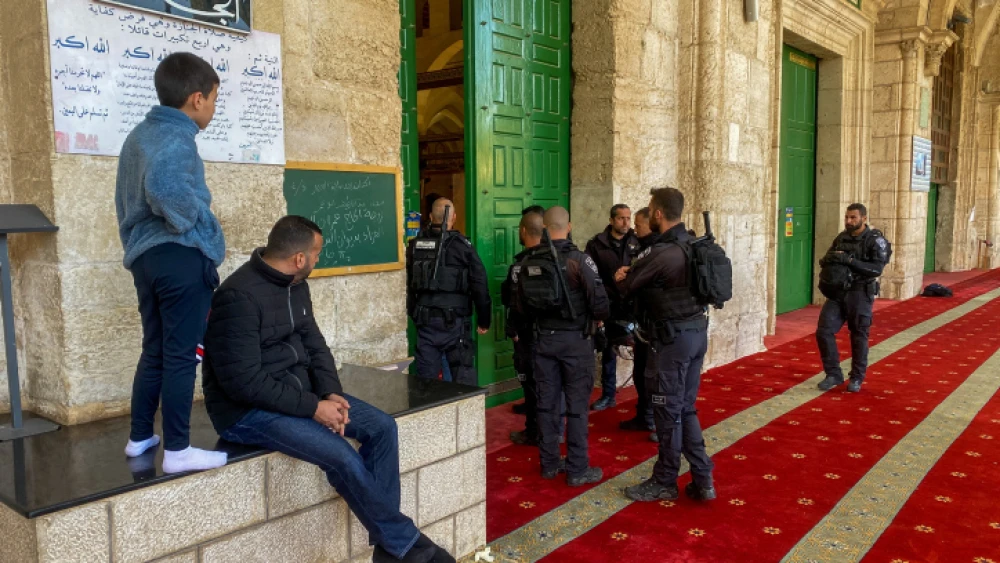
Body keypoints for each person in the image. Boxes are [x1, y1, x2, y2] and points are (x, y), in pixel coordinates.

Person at [202, 216, 454, 563]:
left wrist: (331, 393)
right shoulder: (237, 296)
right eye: (317, 254)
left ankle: (389, 550)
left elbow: (315, 345)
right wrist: (312, 407)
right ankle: (412, 548)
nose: (319, 261)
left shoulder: (296, 285)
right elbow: (242, 383)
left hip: (301, 395)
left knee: (383, 428)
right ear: (300, 258)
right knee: (340, 454)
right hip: (245, 412)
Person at [115, 52, 227, 474]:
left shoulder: (139, 136)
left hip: (146, 259)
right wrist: (199, 222)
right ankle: (178, 450)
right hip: (179, 257)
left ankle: (140, 435)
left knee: (156, 350)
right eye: (214, 99)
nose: (214, 109)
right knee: (181, 354)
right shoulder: (177, 137)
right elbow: (164, 189)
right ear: (196, 99)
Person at [616, 188, 715, 502]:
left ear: (658, 213)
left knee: (667, 412)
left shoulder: (662, 252)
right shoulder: (694, 245)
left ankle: (665, 479)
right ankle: (703, 480)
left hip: (671, 340)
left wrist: (621, 277)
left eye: (649, 209)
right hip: (697, 332)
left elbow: (627, 288)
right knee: (685, 408)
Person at [516, 207, 609, 486]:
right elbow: (600, 304)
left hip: (543, 341)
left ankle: (548, 464)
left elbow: (520, 307)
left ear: (544, 228)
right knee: (577, 407)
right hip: (575, 342)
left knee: (546, 405)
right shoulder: (579, 261)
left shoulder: (527, 262)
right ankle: (578, 469)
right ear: (568, 227)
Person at [406, 198, 491, 386]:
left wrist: (414, 313)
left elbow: (409, 285)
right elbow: (479, 283)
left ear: (430, 217)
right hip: (455, 323)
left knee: (426, 384)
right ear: (454, 217)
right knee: (462, 382)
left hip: (425, 321)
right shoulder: (463, 247)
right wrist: (484, 319)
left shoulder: (415, 246)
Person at [816, 203, 891, 393]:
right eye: (847, 217)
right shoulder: (842, 237)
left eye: (853, 218)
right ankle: (833, 374)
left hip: (860, 292)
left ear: (864, 219)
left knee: (858, 335)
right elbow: (827, 259)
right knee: (824, 331)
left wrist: (850, 261)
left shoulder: (875, 240)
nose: (849, 221)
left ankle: (857, 377)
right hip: (838, 292)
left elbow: (876, 269)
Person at [586, 204, 640, 412]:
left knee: (641, 352)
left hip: (633, 304)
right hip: (609, 305)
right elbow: (591, 276)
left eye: (628, 218)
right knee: (608, 352)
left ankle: (644, 398)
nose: (626, 223)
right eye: (621, 218)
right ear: (611, 220)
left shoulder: (638, 242)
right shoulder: (597, 244)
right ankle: (608, 395)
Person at [504, 207, 545, 445]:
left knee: (531, 386)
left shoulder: (520, 266)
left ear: (523, 231)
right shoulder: (558, 260)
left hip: (528, 336)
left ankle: (533, 431)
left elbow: (513, 302)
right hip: (552, 335)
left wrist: (513, 331)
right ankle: (551, 430)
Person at [619, 207, 656, 436]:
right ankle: (645, 416)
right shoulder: (640, 247)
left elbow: (636, 286)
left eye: (638, 224)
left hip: (659, 327)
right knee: (641, 374)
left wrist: (624, 279)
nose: (634, 227)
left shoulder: (657, 251)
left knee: (656, 378)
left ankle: (660, 424)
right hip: (643, 324)